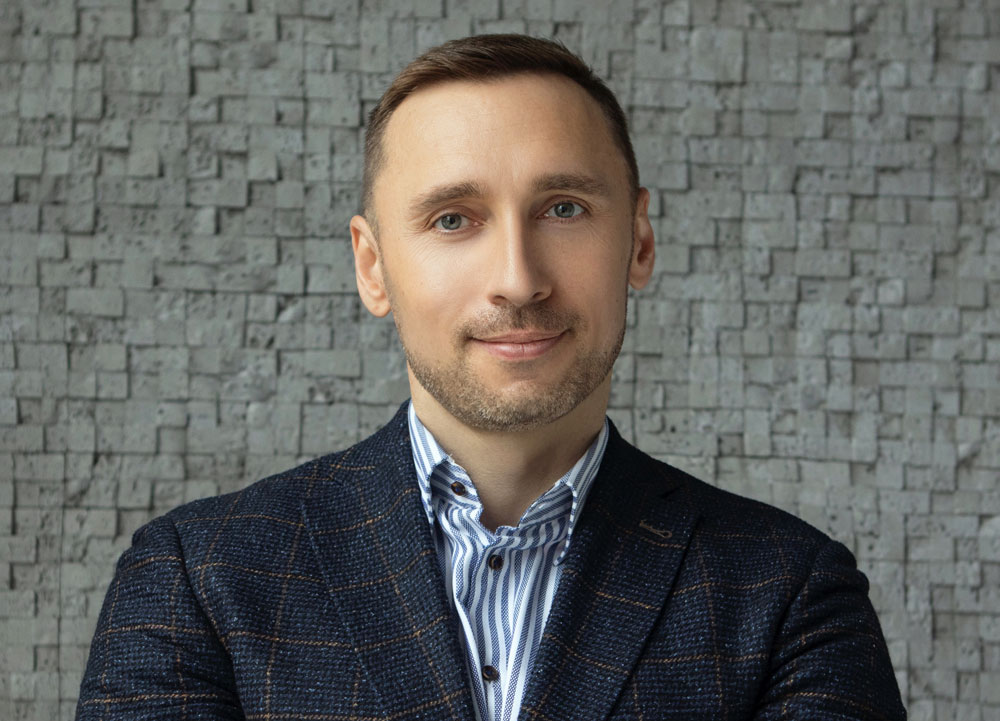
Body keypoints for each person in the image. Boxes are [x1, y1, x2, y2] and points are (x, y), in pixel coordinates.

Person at [76, 34, 906, 721]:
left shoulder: (792, 594)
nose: (517, 278)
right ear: (372, 266)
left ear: (640, 242)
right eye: (453, 219)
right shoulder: (197, 581)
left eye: (564, 208)